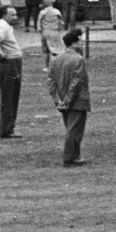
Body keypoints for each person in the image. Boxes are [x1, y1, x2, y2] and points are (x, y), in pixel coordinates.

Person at [49, 27, 90, 166]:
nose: (81, 45)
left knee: (70, 128)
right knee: (75, 130)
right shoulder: (78, 60)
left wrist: (58, 100)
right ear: (74, 44)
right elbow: (77, 82)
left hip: (62, 100)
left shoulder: (56, 59)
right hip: (77, 100)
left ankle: (75, 155)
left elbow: (51, 82)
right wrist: (68, 100)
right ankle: (70, 157)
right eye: (80, 42)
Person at [0, 4, 24, 139]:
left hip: (13, 63)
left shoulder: (7, 27)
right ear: (4, 15)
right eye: (12, 15)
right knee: (9, 96)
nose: (15, 17)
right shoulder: (2, 27)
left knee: (13, 95)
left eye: (16, 14)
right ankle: (7, 129)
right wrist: (1, 56)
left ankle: (9, 127)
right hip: (9, 63)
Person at [38, 0, 65, 69]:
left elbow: (39, 24)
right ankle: (57, 65)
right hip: (54, 32)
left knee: (45, 50)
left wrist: (40, 30)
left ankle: (46, 66)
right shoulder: (56, 12)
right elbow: (61, 23)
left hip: (45, 32)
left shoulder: (42, 12)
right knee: (56, 49)